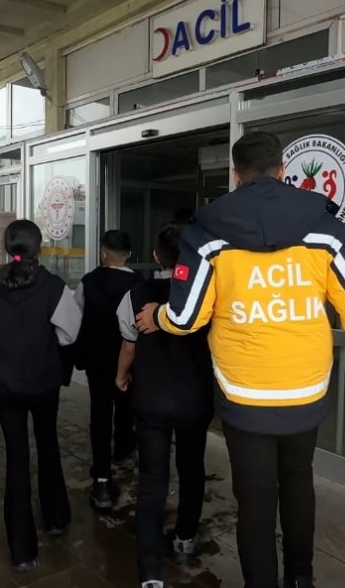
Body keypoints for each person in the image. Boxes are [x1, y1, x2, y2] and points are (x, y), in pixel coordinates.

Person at [135, 132, 345, 588]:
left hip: (243, 397)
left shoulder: (208, 232)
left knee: (255, 505)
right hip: (305, 391)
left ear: (236, 175)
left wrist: (157, 316)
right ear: (283, 172)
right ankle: (302, 579)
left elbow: (186, 317)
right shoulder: (324, 228)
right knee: (299, 484)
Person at [115, 222, 214, 588]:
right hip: (194, 400)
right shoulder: (207, 294)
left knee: (153, 480)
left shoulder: (137, 293)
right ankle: (185, 540)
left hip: (151, 401)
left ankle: (150, 571)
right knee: (191, 471)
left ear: (156, 256)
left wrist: (121, 376)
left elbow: (129, 343)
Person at [0, 220, 81, 572]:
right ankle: (55, 518)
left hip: (6, 385)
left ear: (9, 248)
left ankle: (22, 549)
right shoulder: (54, 288)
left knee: (16, 457)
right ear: (39, 248)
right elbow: (69, 335)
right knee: (48, 443)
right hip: (43, 383)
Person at [73, 230, 143, 510]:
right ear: (129, 255)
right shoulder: (140, 285)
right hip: (130, 360)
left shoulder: (88, 282)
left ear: (103, 254)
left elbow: (77, 318)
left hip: (97, 361)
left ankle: (102, 480)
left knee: (99, 414)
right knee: (126, 403)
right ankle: (123, 447)